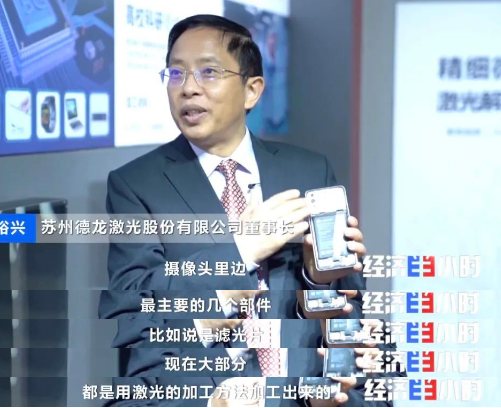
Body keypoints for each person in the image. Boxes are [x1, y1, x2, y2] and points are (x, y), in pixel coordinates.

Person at [99, 15, 398, 407]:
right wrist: (241, 250)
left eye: (209, 72)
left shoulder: (308, 170)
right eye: (175, 73)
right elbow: (138, 317)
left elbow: (351, 308)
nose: (188, 88)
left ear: (252, 90)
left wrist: (317, 278)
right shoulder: (136, 185)